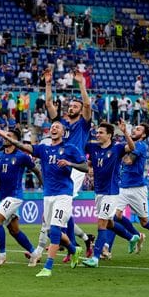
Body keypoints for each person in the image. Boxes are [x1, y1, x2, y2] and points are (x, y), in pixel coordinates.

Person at [0, 122, 87, 277]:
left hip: (63, 195)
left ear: (63, 132)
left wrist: (69, 163)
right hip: (48, 195)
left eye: (57, 127)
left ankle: (48, 267)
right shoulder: (43, 149)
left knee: (56, 229)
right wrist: (3, 135)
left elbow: (85, 167)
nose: (54, 128)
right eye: (52, 127)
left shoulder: (70, 149)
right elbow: (23, 146)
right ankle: (74, 249)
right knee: (51, 232)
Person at [42, 69, 94, 260]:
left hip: (75, 166)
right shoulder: (61, 123)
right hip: (59, 164)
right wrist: (48, 83)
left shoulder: (84, 124)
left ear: (80, 110)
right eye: (70, 105)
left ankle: (67, 247)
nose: (71, 108)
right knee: (63, 210)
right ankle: (80, 242)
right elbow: (48, 103)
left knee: (63, 209)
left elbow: (87, 103)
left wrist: (81, 83)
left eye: (75, 106)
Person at [82, 121, 140, 267]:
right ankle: (131, 237)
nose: (97, 134)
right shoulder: (93, 147)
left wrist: (125, 132)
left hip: (111, 192)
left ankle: (95, 258)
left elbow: (132, 147)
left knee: (101, 223)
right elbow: (90, 162)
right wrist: (86, 167)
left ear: (109, 135)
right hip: (99, 191)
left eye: (101, 132)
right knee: (109, 224)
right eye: (97, 132)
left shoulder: (117, 148)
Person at [0, 129, 42, 267]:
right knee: (14, 231)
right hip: (4, 198)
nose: (5, 138)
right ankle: (34, 254)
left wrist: (46, 188)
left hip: (15, 196)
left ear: (15, 141)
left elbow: (37, 171)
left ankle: (2, 255)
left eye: (8, 136)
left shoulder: (22, 156)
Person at [113, 123, 149, 251]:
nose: (134, 130)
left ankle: (138, 234)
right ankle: (135, 235)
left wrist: (119, 153)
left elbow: (128, 161)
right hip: (123, 188)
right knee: (115, 216)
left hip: (137, 189)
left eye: (138, 129)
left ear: (143, 135)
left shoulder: (141, 146)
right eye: (134, 128)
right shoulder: (128, 146)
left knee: (145, 222)